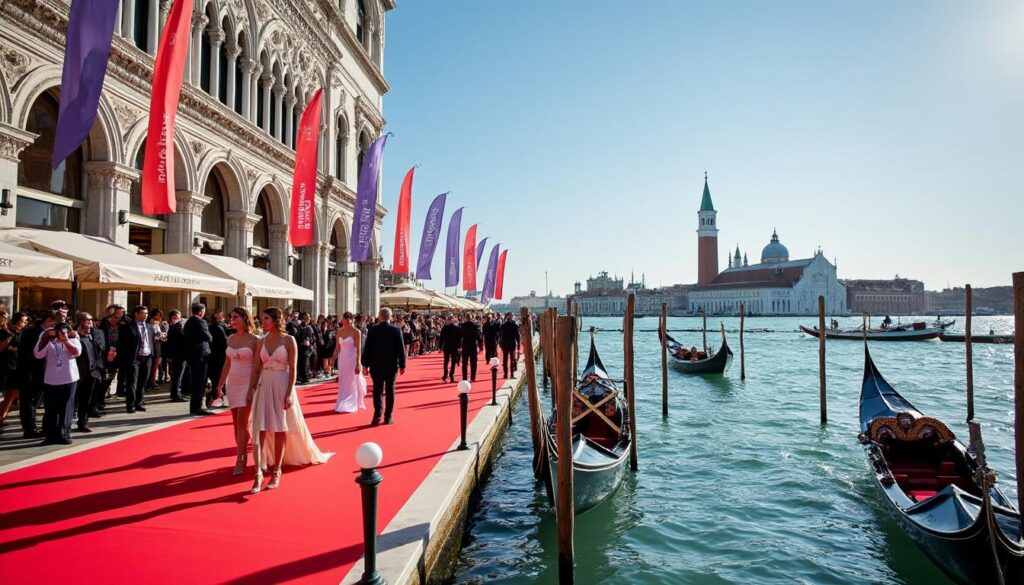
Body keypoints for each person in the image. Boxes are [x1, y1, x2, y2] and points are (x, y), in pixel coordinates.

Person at [248, 307, 332, 493]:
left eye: (266, 318)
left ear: (277, 320)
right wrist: (250, 390)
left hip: (282, 385)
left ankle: (276, 470)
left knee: (279, 428)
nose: (263, 321)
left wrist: (288, 393)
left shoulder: (289, 340)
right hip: (264, 386)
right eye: (263, 318)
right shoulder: (260, 341)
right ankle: (258, 474)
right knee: (260, 429)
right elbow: (255, 368)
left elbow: (293, 369)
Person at [215, 307, 259, 475]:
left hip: (247, 382)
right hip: (233, 383)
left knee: (242, 421)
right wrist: (219, 385)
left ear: (244, 319)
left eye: (235, 317)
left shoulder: (255, 340)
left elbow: (256, 367)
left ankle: (240, 458)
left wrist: (251, 388)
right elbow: (227, 363)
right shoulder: (230, 339)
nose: (231, 319)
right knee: (236, 423)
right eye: (230, 317)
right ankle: (242, 451)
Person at [33, 315, 82, 445]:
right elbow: (38, 354)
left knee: (66, 407)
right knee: (51, 409)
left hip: (69, 377)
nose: (60, 332)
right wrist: (47, 338)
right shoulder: (46, 336)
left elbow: (76, 352)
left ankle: (64, 434)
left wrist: (65, 340)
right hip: (51, 378)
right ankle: (50, 435)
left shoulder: (73, 336)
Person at [360, 307, 406, 426]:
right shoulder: (396, 330)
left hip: (376, 365)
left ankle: (377, 415)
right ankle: (388, 416)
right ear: (390, 317)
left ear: (380, 317)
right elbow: (401, 349)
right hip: (391, 365)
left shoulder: (373, 330)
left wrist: (365, 363)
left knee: (377, 390)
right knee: (390, 390)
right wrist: (403, 365)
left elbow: (367, 348)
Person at [20, 311, 56, 438]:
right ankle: (29, 429)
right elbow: (28, 354)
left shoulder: (51, 334)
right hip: (32, 373)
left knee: (36, 401)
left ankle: (33, 427)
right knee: (29, 401)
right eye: (54, 322)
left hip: (45, 373)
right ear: (48, 321)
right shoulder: (32, 333)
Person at [117, 305, 154, 414]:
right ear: (136, 314)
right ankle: (131, 405)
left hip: (147, 357)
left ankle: (139, 402)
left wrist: (154, 355)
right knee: (132, 381)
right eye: (143, 313)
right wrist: (124, 359)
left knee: (143, 381)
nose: (146, 315)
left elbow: (151, 341)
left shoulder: (149, 326)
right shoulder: (128, 326)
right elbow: (122, 344)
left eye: (147, 313)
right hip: (134, 358)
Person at [74, 312, 106, 433]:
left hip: (92, 372)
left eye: (91, 321)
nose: (91, 323)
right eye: (88, 321)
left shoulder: (93, 335)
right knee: (73, 399)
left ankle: (83, 422)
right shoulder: (75, 336)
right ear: (81, 322)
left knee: (87, 399)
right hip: (78, 373)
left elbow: (99, 351)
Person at [183, 302, 214, 416]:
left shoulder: (189, 322)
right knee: (200, 382)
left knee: (196, 381)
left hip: (192, 355)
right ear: (201, 311)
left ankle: (195, 406)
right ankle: (197, 407)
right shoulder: (201, 322)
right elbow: (208, 337)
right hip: (200, 355)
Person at [332, 312, 366, 413]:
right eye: (344, 320)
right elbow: (337, 347)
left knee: (351, 381)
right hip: (342, 360)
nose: (346, 323)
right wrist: (333, 358)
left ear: (352, 321)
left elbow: (359, 349)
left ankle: (350, 403)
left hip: (352, 359)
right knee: (342, 381)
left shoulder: (356, 332)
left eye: (348, 321)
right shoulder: (339, 331)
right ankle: (342, 401)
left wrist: (358, 363)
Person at [0, 311, 28, 428]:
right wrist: (13, 348)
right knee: (7, 393)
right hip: (5, 365)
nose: (25, 323)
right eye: (23, 321)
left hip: (16, 366)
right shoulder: (7, 332)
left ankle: (2, 416)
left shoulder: (23, 333)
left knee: (12, 393)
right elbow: (3, 348)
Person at [207, 309, 230, 408]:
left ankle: (216, 398)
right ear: (215, 316)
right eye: (220, 314)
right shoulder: (218, 328)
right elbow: (225, 342)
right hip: (219, 357)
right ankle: (215, 399)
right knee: (218, 379)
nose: (222, 316)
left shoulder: (213, 326)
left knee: (216, 379)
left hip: (213, 356)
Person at [165, 310, 187, 402]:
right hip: (180, 354)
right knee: (178, 375)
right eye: (178, 316)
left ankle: (176, 393)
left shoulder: (172, 327)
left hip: (175, 354)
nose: (180, 318)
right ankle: (176, 394)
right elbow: (182, 340)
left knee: (176, 374)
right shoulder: (178, 327)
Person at [146, 309, 167, 390]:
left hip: (158, 346)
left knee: (156, 364)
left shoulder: (161, 323)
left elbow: (161, 336)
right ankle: (150, 381)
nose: (157, 317)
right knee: (152, 364)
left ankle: (152, 380)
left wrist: (162, 336)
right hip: (152, 346)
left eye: (159, 315)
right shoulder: (151, 323)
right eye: (156, 315)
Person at [459, 313, 483, 382]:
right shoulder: (475, 326)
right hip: (472, 346)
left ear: (466, 318)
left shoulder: (462, 326)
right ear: (472, 318)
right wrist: (480, 346)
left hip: (466, 346)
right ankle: (473, 377)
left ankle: (465, 377)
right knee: (473, 363)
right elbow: (479, 337)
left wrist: (459, 346)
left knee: (465, 363)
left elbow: (460, 336)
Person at [499, 312, 521, 379]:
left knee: (505, 360)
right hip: (511, 344)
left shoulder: (503, 325)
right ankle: (511, 374)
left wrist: (501, 344)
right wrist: (519, 344)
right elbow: (517, 336)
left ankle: (505, 374)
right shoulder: (514, 325)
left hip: (505, 344)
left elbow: (500, 336)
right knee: (511, 359)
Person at [439, 315, 461, 383]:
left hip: (447, 347)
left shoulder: (444, 328)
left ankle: (445, 376)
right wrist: (459, 346)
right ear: (453, 320)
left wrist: (440, 347)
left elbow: (441, 338)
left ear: (448, 320)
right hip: (454, 347)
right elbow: (459, 339)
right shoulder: (456, 328)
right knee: (453, 362)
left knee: (446, 362)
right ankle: (451, 376)